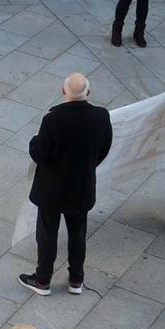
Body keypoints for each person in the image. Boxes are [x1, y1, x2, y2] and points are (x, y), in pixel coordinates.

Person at [19, 75, 112, 296]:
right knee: (78, 233)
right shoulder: (101, 116)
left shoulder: (52, 120)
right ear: (88, 93)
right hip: (82, 187)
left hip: (52, 188)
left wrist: (34, 140)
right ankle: (76, 280)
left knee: (47, 233)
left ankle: (42, 280)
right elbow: (104, 148)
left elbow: (40, 154)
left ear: (63, 91)